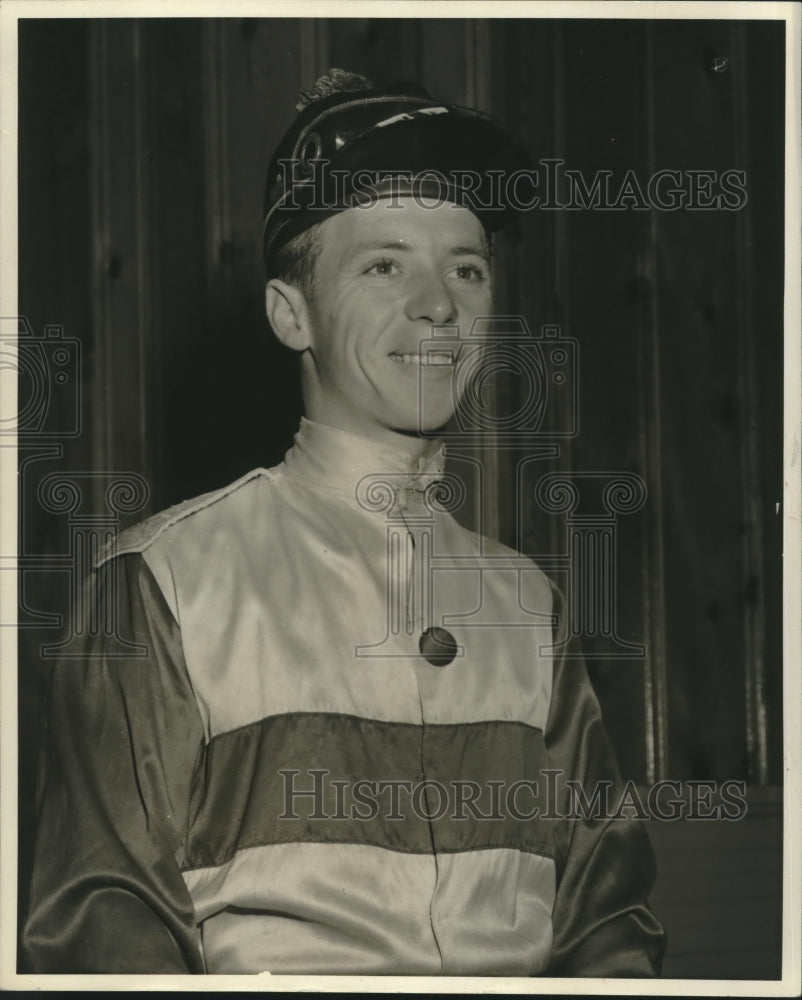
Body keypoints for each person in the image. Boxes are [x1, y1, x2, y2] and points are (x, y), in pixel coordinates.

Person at [22, 69, 666, 977]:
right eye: (383, 264)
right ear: (293, 314)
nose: (440, 304)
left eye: (467, 267)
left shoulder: (530, 604)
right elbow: (104, 931)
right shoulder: (162, 582)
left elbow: (610, 921)